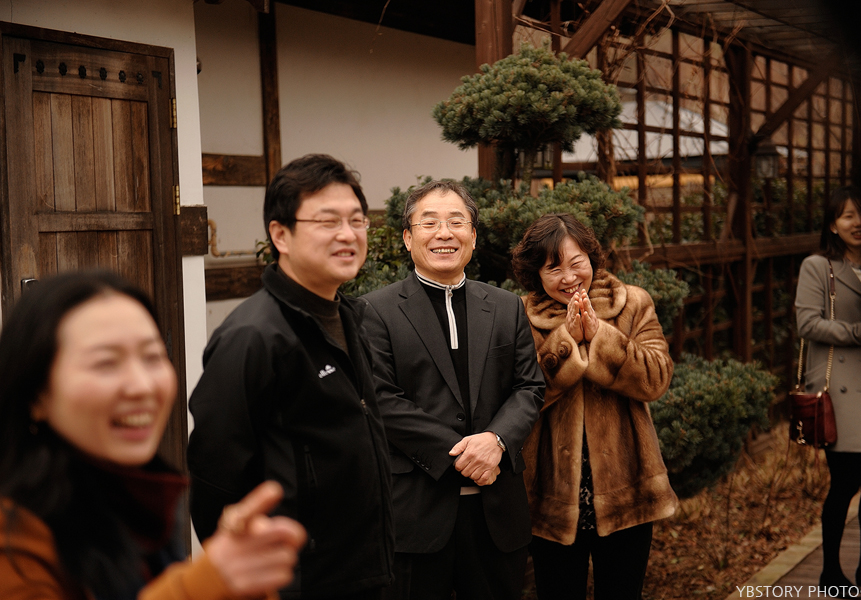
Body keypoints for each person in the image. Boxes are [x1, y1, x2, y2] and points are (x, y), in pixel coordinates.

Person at [0, 270, 306, 600]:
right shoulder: (14, 540)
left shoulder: (141, 503)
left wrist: (243, 581)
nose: (142, 386)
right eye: (106, 363)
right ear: (36, 395)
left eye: (153, 357)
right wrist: (207, 581)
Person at [187, 154, 394, 600]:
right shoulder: (253, 337)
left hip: (363, 571)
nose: (348, 234)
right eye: (327, 221)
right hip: (296, 582)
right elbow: (215, 481)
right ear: (280, 234)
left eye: (356, 220)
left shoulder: (351, 317)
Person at [362, 180, 545, 600]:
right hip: (416, 513)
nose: (444, 233)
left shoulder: (506, 306)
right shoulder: (375, 310)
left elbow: (529, 386)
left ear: (473, 236)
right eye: (429, 223)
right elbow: (380, 399)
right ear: (408, 238)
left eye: (456, 222)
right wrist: (463, 453)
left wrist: (497, 440)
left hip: (496, 511)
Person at [510, 214, 677, 600]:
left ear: (591, 257)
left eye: (576, 262)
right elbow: (518, 396)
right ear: (536, 273)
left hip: (628, 490)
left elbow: (657, 378)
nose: (569, 277)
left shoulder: (632, 303)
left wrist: (601, 336)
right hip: (550, 497)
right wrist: (565, 340)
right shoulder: (519, 316)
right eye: (554, 268)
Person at [794, 186, 861, 594]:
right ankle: (830, 574)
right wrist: (860, 331)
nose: (858, 223)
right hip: (841, 393)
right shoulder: (817, 267)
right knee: (844, 485)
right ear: (832, 226)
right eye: (847, 216)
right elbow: (808, 323)